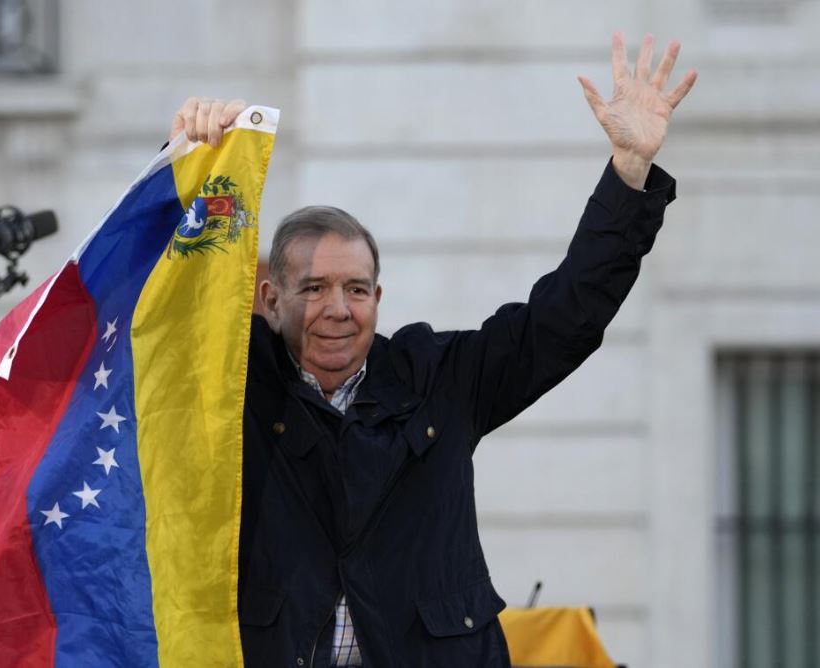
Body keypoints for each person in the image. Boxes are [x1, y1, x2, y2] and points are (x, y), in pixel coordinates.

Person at [168, 32, 696, 668]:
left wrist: (629, 172)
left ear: (378, 297)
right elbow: (170, 315)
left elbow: (565, 318)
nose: (339, 307)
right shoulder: (234, 385)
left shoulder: (440, 379)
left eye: (356, 288)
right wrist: (192, 171)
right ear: (270, 300)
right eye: (314, 288)